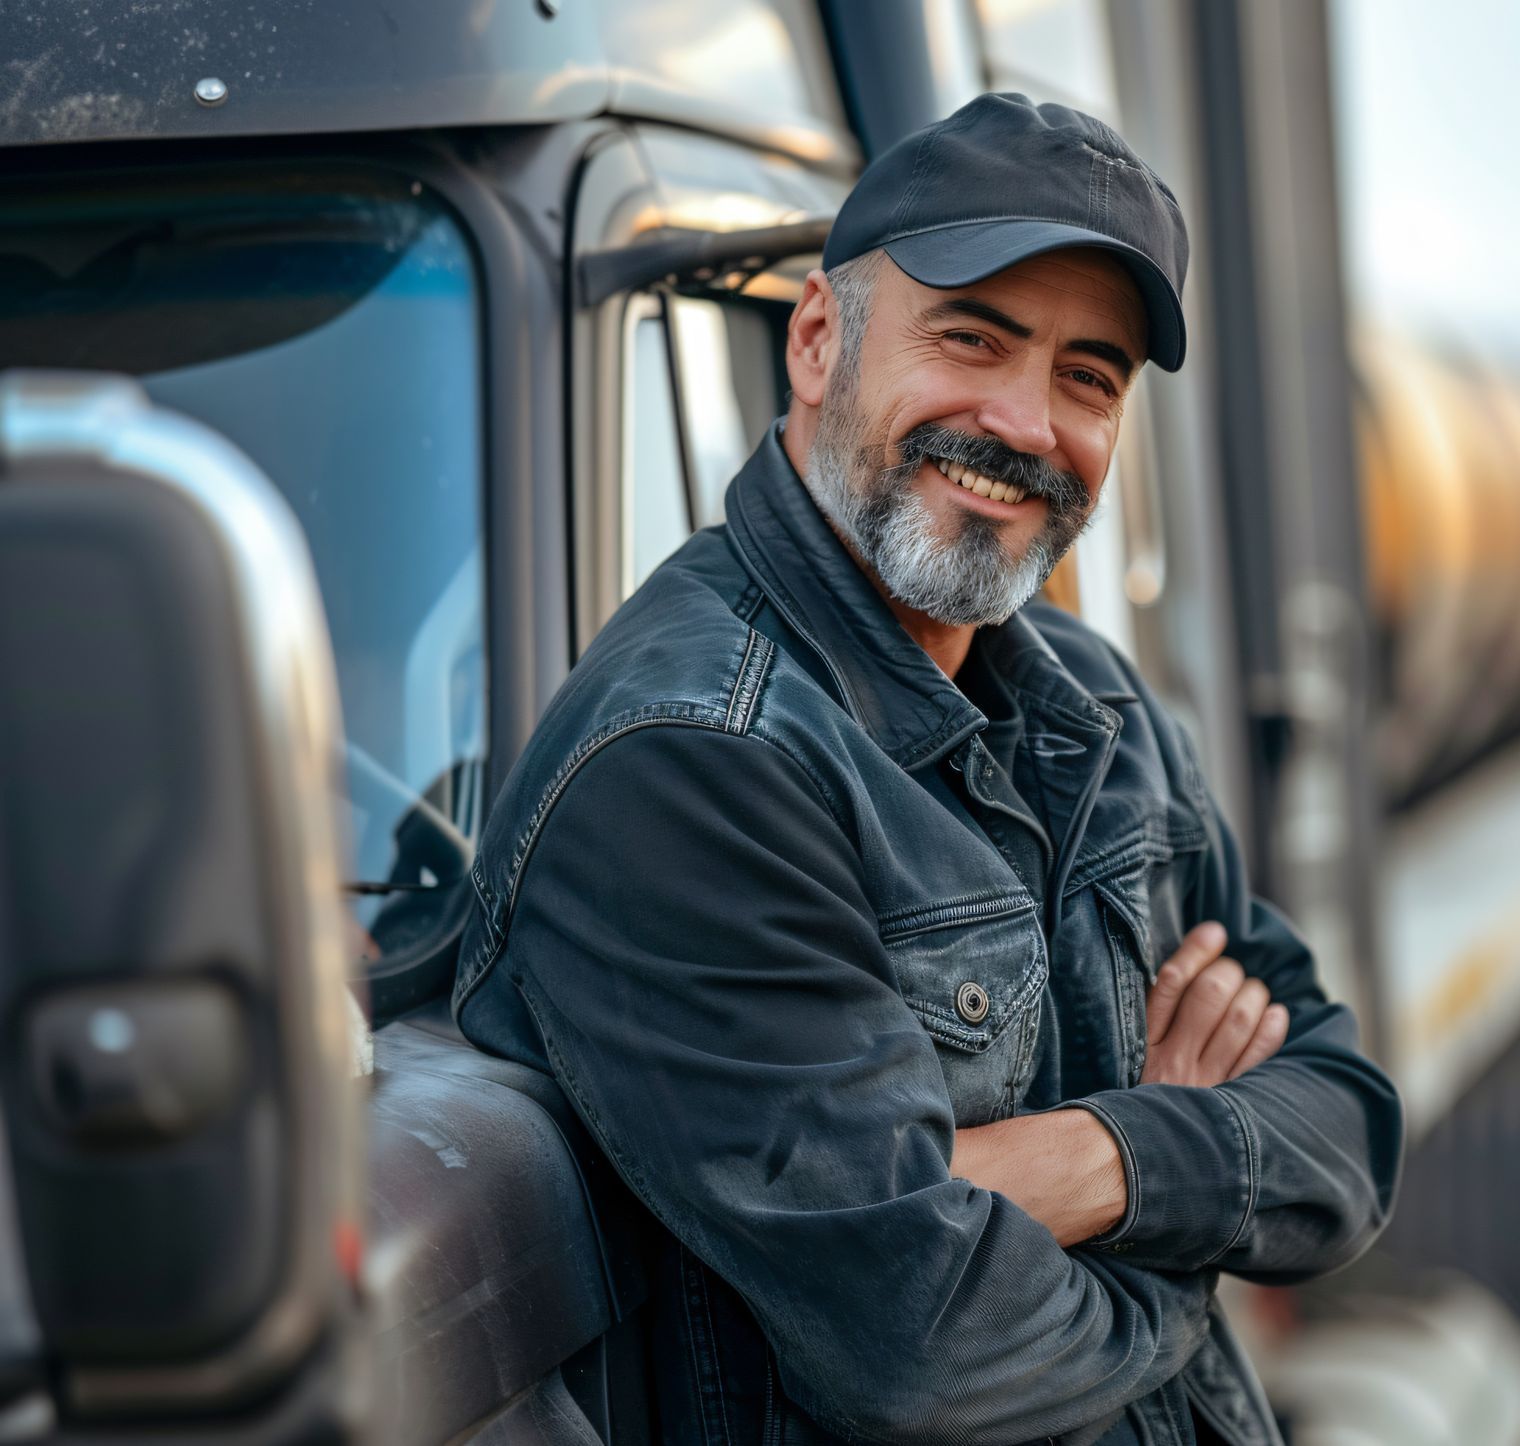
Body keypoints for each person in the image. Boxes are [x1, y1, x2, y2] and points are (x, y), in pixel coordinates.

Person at [456, 94, 1402, 1445]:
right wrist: (1195, 1214)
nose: (1025, 422)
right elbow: (933, 1344)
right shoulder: (692, 760)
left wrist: (1095, 1156)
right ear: (819, 339)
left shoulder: (1102, 709)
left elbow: (1351, 1131)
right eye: (974, 337)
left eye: (1089, 375)